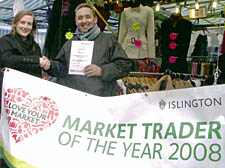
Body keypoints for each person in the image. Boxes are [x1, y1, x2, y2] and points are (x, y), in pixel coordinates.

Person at [42, 3, 132, 96]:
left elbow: (125, 65)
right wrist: (50, 65)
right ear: (76, 21)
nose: (84, 21)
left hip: (101, 98)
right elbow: (61, 68)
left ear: (95, 19)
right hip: (75, 98)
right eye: (80, 18)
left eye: (87, 17)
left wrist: (102, 70)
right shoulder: (70, 43)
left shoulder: (108, 40)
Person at [0, 10, 48, 78]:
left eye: (29, 24)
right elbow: (6, 60)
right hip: (9, 84)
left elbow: (38, 73)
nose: (25, 27)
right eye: (22, 22)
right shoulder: (6, 40)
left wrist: (46, 64)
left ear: (32, 27)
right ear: (15, 23)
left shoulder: (35, 46)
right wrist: (36, 60)